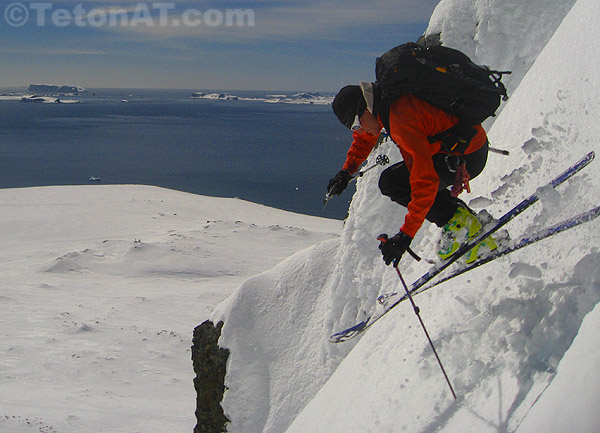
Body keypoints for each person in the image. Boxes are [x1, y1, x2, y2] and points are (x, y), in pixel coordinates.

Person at [328, 82, 497, 267]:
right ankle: (465, 222)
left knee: (396, 183)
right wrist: (347, 171)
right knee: (394, 181)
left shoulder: (401, 120)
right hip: (465, 148)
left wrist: (405, 236)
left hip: (465, 157)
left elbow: (424, 182)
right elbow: (364, 138)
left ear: (366, 108)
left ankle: (460, 224)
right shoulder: (387, 102)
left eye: (356, 124)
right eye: (354, 128)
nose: (358, 130)